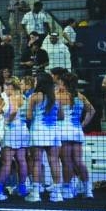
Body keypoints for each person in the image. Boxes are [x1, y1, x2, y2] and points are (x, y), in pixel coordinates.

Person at [25, 72, 64, 203]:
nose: (34, 83)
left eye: (36, 81)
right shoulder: (56, 97)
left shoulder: (34, 96)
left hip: (37, 132)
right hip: (53, 133)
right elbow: (61, 116)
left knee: (36, 161)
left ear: (40, 82)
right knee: (54, 161)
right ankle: (57, 194)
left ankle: (36, 193)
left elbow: (29, 117)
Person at [56, 72, 94, 199]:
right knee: (78, 161)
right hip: (77, 132)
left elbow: (57, 115)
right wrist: (82, 124)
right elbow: (92, 111)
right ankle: (88, 190)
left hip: (63, 133)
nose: (58, 83)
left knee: (66, 162)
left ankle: (67, 189)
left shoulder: (58, 96)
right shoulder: (80, 96)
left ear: (64, 83)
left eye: (60, 82)